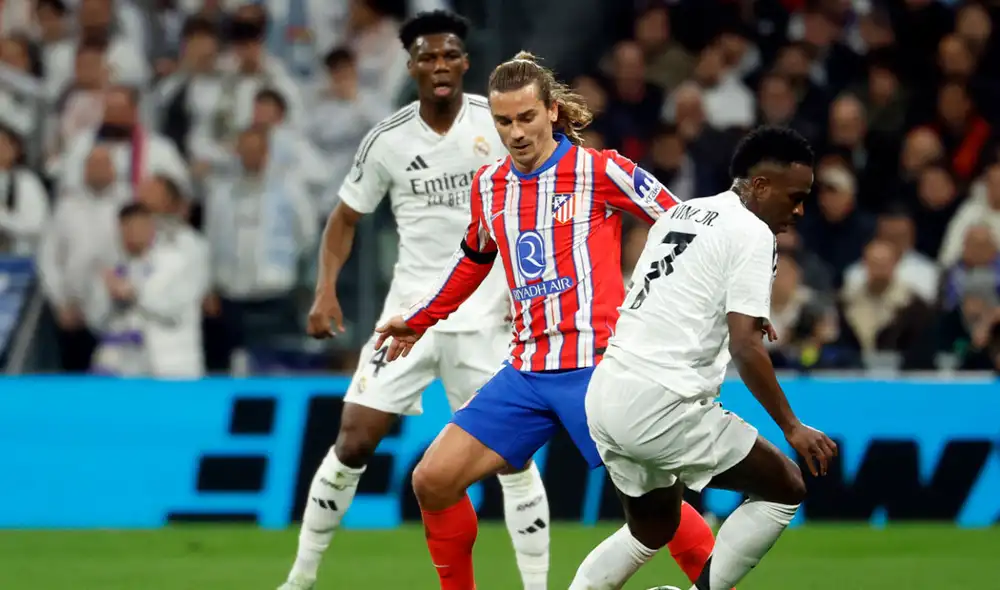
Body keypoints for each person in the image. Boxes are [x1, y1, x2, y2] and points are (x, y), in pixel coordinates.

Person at [375, 51, 726, 590]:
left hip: (601, 371)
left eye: (526, 118)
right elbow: (474, 255)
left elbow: (687, 226)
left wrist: (707, 308)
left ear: (553, 112)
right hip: (527, 372)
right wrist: (421, 320)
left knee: (658, 509)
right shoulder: (490, 185)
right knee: (434, 480)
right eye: (503, 121)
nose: (515, 132)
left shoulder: (600, 170)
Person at [279, 12, 551, 590]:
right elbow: (345, 217)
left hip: (486, 317)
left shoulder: (496, 124)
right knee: (352, 439)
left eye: (449, 55)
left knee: (514, 460)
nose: (439, 66)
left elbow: (548, 185)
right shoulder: (388, 139)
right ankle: (300, 580)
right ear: (412, 66)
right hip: (409, 317)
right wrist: (326, 288)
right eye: (427, 57)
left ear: (466, 62)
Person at [568, 127, 839, 590]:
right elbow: (745, 349)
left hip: (607, 393)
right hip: (662, 402)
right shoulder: (754, 232)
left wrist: (743, 317)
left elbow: (679, 290)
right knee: (785, 489)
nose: (798, 210)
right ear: (760, 186)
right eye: (794, 197)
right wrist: (792, 426)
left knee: (651, 528)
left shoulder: (682, 212)